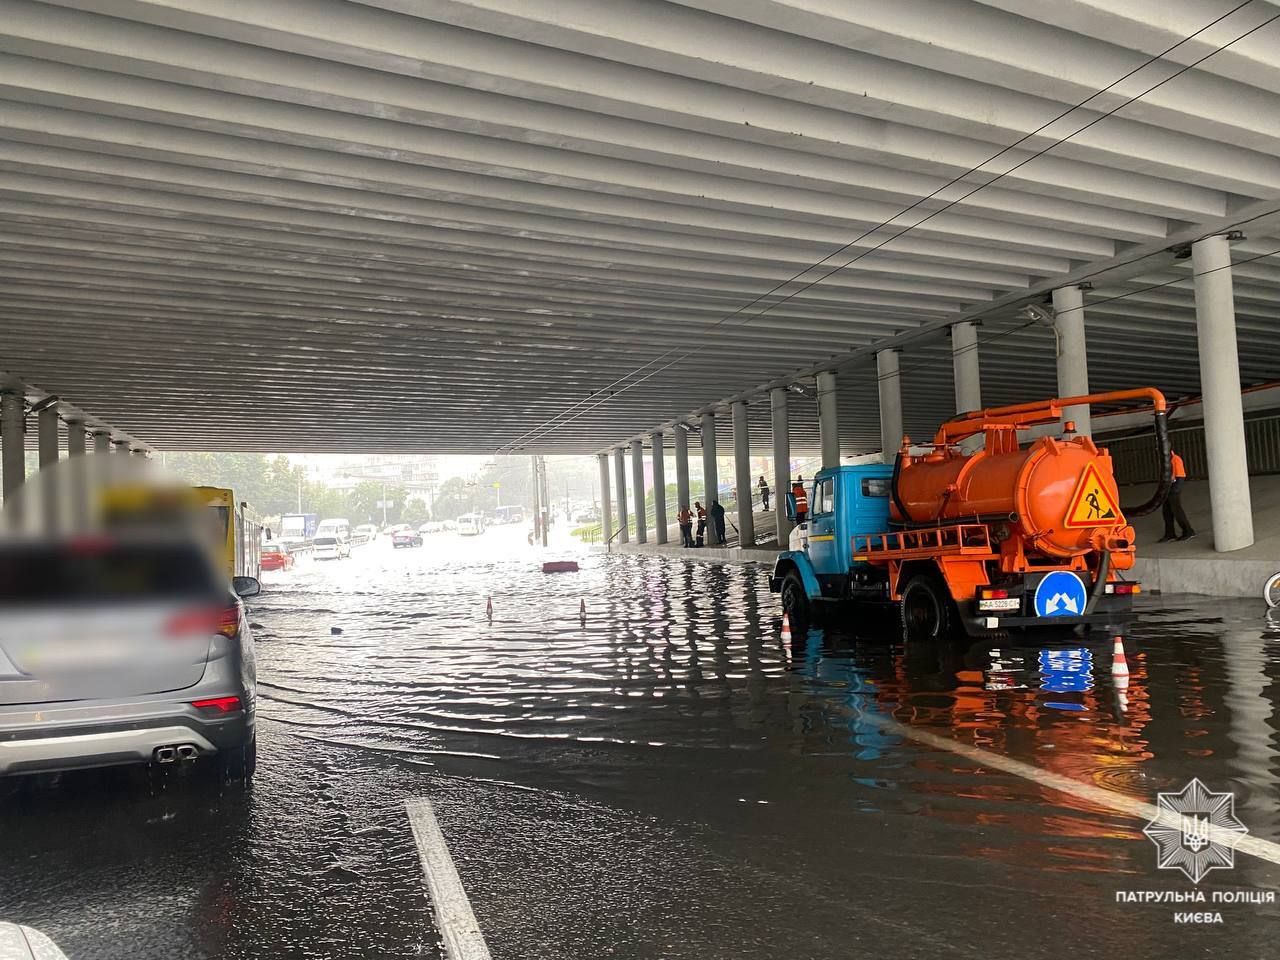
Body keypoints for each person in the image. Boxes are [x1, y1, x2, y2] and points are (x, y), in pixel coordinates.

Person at [1160, 449, 1195, 543]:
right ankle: (1170, 534)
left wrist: (1173, 489)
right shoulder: (1167, 460)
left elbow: (1179, 476)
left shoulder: (1175, 459)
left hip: (1175, 485)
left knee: (1176, 510)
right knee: (1167, 511)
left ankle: (1188, 531)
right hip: (1170, 485)